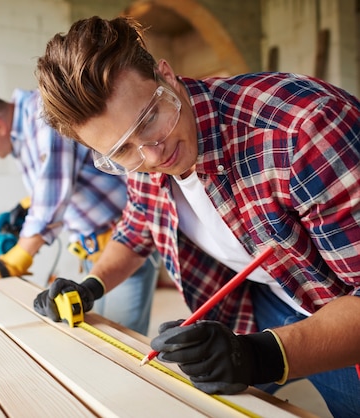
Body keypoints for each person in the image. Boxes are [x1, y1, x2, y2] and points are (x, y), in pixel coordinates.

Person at [31, 15, 360, 417]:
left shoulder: (304, 129)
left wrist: (259, 356)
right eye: (121, 150)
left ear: (166, 75)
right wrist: (91, 286)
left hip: (341, 312)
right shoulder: (144, 156)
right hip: (262, 299)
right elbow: (137, 231)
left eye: (148, 118)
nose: (152, 155)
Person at [0, 87, 161, 335]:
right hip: (92, 252)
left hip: (127, 246)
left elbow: (53, 195)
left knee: (123, 340)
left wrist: (15, 259)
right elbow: (52, 186)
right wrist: (24, 207)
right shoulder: (22, 135)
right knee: (97, 333)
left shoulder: (43, 114)